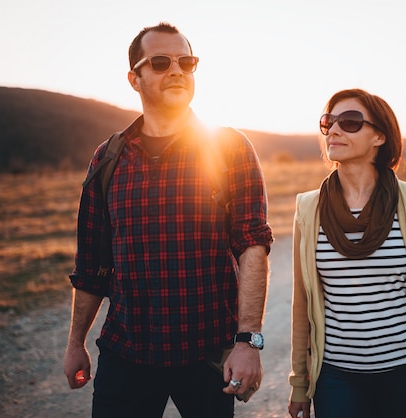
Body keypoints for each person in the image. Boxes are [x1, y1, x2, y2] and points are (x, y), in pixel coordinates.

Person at [63, 22, 273, 418]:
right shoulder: (107, 159)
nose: (177, 70)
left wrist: (246, 342)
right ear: (134, 78)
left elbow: (252, 246)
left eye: (186, 61)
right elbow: (91, 265)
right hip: (126, 353)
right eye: (160, 62)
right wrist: (76, 343)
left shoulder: (229, 148)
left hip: (206, 352)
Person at [288, 89, 406, 418]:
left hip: (400, 373)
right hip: (333, 373)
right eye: (329, 122)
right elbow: (302, 305)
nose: (335, 130)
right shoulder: (308, 208)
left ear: (379, 137)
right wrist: (300, 382)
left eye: (351, 122)